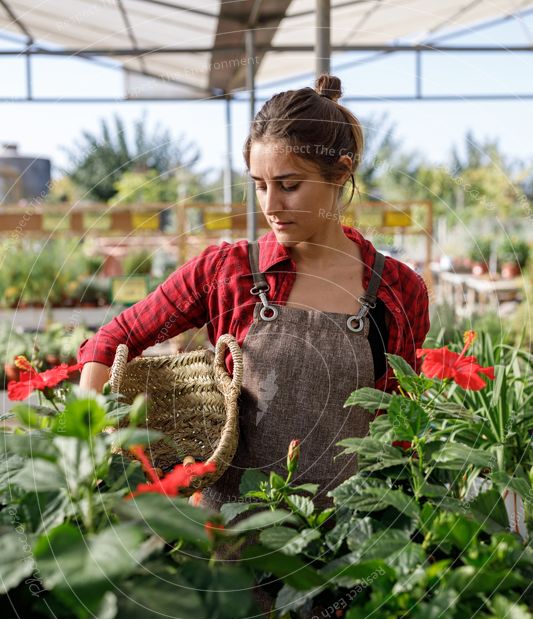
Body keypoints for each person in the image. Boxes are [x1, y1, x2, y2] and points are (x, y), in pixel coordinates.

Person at [78, 73, 430, 516]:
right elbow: (109, 342)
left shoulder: (398, 291)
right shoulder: (227, 272)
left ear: (341, 172)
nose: (270, 204)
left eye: (289, 185)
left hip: (345, 543)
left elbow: (398, 424)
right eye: (260, 185)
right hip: (228, 541)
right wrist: (93, 451)